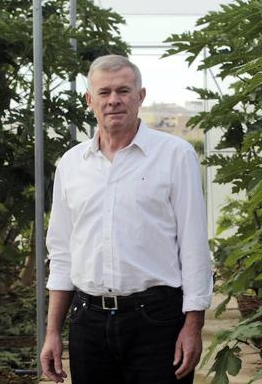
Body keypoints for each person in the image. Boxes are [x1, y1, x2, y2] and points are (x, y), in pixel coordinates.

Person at [39, 54, 213, 384]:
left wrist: (193, 325)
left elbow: (193, 247)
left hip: (157, 322)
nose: (114, 100)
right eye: (104, 93)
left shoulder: (175, 156)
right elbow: (61, 254)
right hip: (87, 322)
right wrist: (52, 332)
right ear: (90, 100)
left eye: (123, 90)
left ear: (140, 96)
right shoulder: (71, 164)